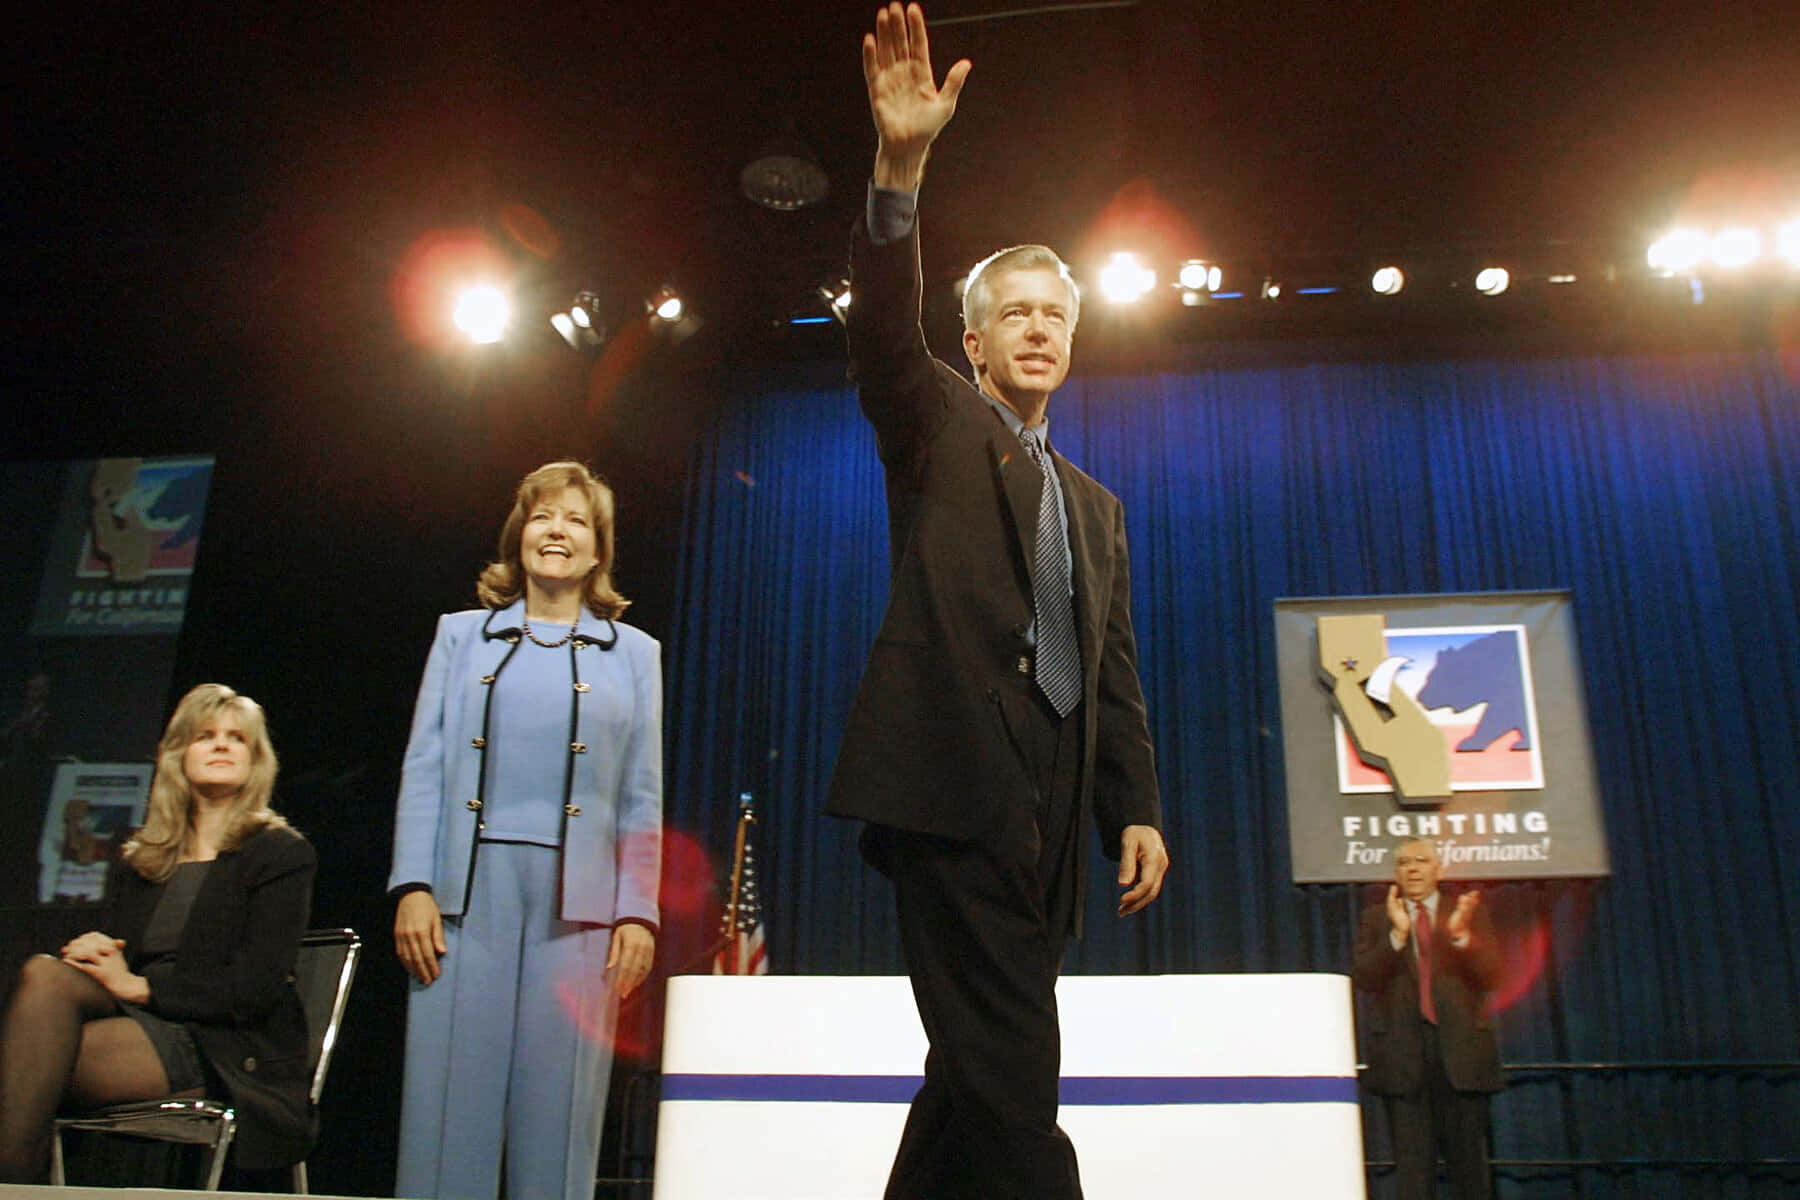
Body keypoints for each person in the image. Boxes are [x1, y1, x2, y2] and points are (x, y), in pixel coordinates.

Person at [824, 6, 1170, 1197]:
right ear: (974, 343)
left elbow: (1111, 667)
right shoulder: (934, 420)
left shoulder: (1099, 506)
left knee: (971, 1073)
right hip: (949, 789)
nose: (1040, 327)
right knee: (1019, 1078)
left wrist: (1136, 804)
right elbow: (878, 328)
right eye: (1016, 311)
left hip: (1049, 820)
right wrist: (901, 166)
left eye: (1057, 315)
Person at [389, 460, 662, 1200]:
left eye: (576, 520)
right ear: (520, 534)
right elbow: (426, 764)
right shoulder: (459, 637)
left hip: (581, 913)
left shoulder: (637, 656)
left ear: (597, 550)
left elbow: (642, 794)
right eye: (544, 516)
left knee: (559, 1116)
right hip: (463, 900)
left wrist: (638, 910)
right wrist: (413, 883)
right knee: (450, 1109)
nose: (558, 531)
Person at [0, 683, 316, 1182]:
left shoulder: (279, 854)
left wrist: (141, 986)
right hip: (143, 1020)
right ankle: (17, 1183)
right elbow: (125, 955)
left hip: (224, 1045)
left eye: (236, 738)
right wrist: (96, 948)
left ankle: (14, 1183)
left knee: (26, 1064)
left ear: (256, 760)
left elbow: (256, 987)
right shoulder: (145, 857)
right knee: (45, 978)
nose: (220, 745)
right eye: (204, 735)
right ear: (177, 756)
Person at [1353, 837, 1505, 1200]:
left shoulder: (1467, 914)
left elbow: (1493, 976)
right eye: (1404, 863)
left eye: (1422, 861)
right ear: (1396, 873)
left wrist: (1461, 937)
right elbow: (1364, 978)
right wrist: (1397, 935)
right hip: (1404, 1062)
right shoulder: (1377, 918)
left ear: (1439, 869)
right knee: (1413, 1178)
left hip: (1462, 1059)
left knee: (1470, 1174)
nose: (1413, 868)